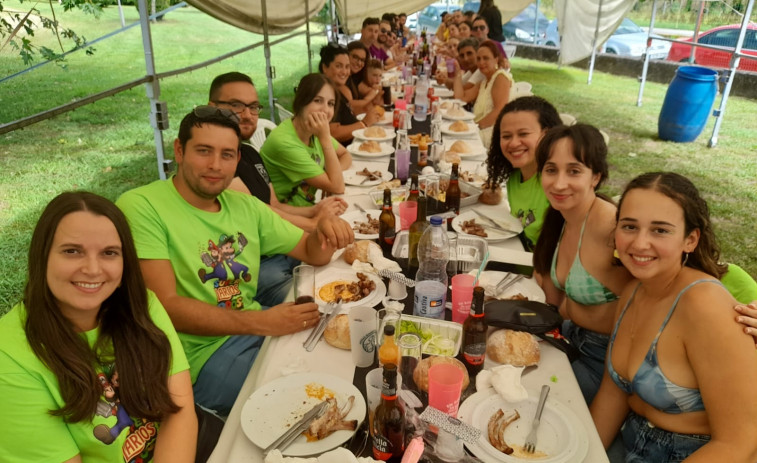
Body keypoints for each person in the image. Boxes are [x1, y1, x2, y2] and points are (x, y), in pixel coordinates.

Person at [117, 107, 354, 417]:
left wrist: (322, 232)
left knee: (339, 364)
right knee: (306, 408)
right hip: (196, 358)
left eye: (227, 155)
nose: (216, 165)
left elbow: (312, 253)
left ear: (238, 161)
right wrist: (263, 322)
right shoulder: (142, 206)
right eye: (204, 151)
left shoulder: (244, 205)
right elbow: (165, 307)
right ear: (178, 150)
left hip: (255, 329)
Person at [0, 192, 196, 462]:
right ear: (42, 256)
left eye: (109, 253)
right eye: (72, 251)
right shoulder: (8, 357)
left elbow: (180, 409)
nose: (93, 269)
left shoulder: (142, 305)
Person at [591, 172, 757, 462]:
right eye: (629, 226)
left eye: (660, 230)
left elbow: (739, 443)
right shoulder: (632, 293)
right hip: (632, 440)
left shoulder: (704, 305)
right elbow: (612, 394)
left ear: (690, 240)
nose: (640, 244)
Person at [208, 72, 348, 307]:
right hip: (258, 264)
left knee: (342, 280)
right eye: (236, 105)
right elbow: (265, 213)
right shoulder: (217, 170)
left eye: (253, 107)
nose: (247, 114)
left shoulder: (250, 154)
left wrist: (315, 212)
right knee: (324, 303)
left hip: (283, 248)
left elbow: (274, 205)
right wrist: (314, 224)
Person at [533, 124, 633, 405]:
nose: (559, 183)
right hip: (572, 339)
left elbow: (641, 314)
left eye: (574, 171)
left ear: (596, 177)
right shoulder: (562, 218)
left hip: (604, 363)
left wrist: (571, 309)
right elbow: (553, 300)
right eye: (551, 170)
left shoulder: (609, 227)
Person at [261, 73, 353, 206]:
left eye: (330, 103)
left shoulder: (313, 130)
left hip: (307, 203)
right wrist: (325, 138)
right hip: (285, 214)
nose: (325, 110)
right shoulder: (285, 142)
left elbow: (345, 154)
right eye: (317, 101)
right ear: (301, 102)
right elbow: (337, 187)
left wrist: (331, 174)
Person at [485, 96, 562, 251]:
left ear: (546, 134)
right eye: (506, 136)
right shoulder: (514, 179)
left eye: (523, 134)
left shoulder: (558, 185)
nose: (513, 143)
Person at [453, 39, 512, 149]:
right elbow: (460, 98)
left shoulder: (500, 78)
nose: (481, 63)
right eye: (479, 59)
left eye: (486, 58)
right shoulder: (483, 82)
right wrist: (457, 74)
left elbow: (499, 111)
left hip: (492, 133)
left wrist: (473, 128)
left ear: (496, 59)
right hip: (480, 128)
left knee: (455, 142)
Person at [318, 43, 380, 144]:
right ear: (325, 67)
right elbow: (333, 133)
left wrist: (373, 104)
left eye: (347, 67)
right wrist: (364, 123)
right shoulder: (323, 94)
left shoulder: (338, 89)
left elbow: (350, 113)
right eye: (339, 66)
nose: (344, 72)